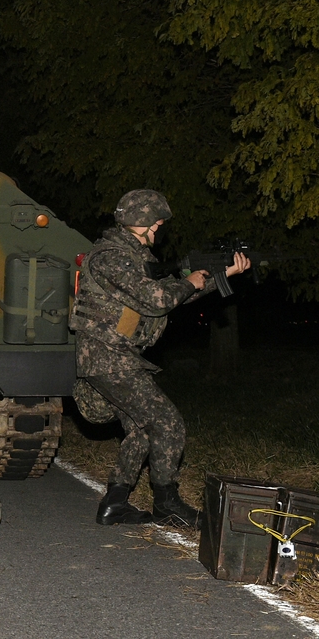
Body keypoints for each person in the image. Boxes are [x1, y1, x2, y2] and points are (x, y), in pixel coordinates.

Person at [70, 189, 250, 528]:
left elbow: (170, 297)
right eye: (156, 224)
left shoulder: (130, 258)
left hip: (117, 357)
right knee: (168, 423)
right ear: (142, 222)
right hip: (107, 359)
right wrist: (191, 282)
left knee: (142, 429)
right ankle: (167, 503)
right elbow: (157, 299)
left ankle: (114, 503)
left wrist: (221, 276)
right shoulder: (110, 257)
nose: (159, 231)